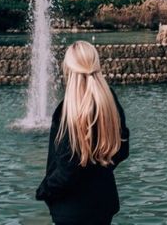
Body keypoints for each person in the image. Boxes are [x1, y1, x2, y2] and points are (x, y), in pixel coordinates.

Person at [36, 41, 130, 225]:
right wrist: (100, 168)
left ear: (68, 70)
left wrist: (44, 190)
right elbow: (123, 148)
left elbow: (67, 170)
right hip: (103, 203)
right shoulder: (109, 103)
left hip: (71, 210)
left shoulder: (67, 111)